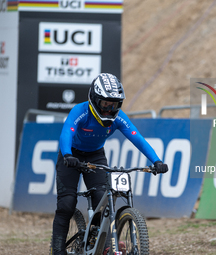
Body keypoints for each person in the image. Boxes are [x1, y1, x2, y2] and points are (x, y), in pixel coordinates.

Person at [51, 73, 168, 254]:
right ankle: (57, 249)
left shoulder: (118, 118)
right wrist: (67, 154)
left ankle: (101, 244)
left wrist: (157, 160)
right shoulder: (80, 111)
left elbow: (138, 139)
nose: (109, 109)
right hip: (71, 155)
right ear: (94, 99)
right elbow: (67, 133)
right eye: (105, 104)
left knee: (102, 200)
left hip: (95, 156)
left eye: (114, 105)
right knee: (67, 203)